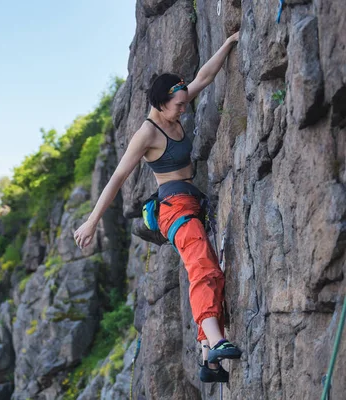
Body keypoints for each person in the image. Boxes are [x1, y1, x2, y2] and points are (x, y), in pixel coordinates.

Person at [73, 31, 242, 383]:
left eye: (184, 103)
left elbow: (203, 78)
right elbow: (118, 178)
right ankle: (217, 342)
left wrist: (228, 43)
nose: (185, 108)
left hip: (192, 203)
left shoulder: (174, 107)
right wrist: (91, 222)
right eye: (179, 105)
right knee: (202, 266)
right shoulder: (148, 133)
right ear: (161, 103)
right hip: (173, 209)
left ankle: (209, 363)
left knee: (209, 268)